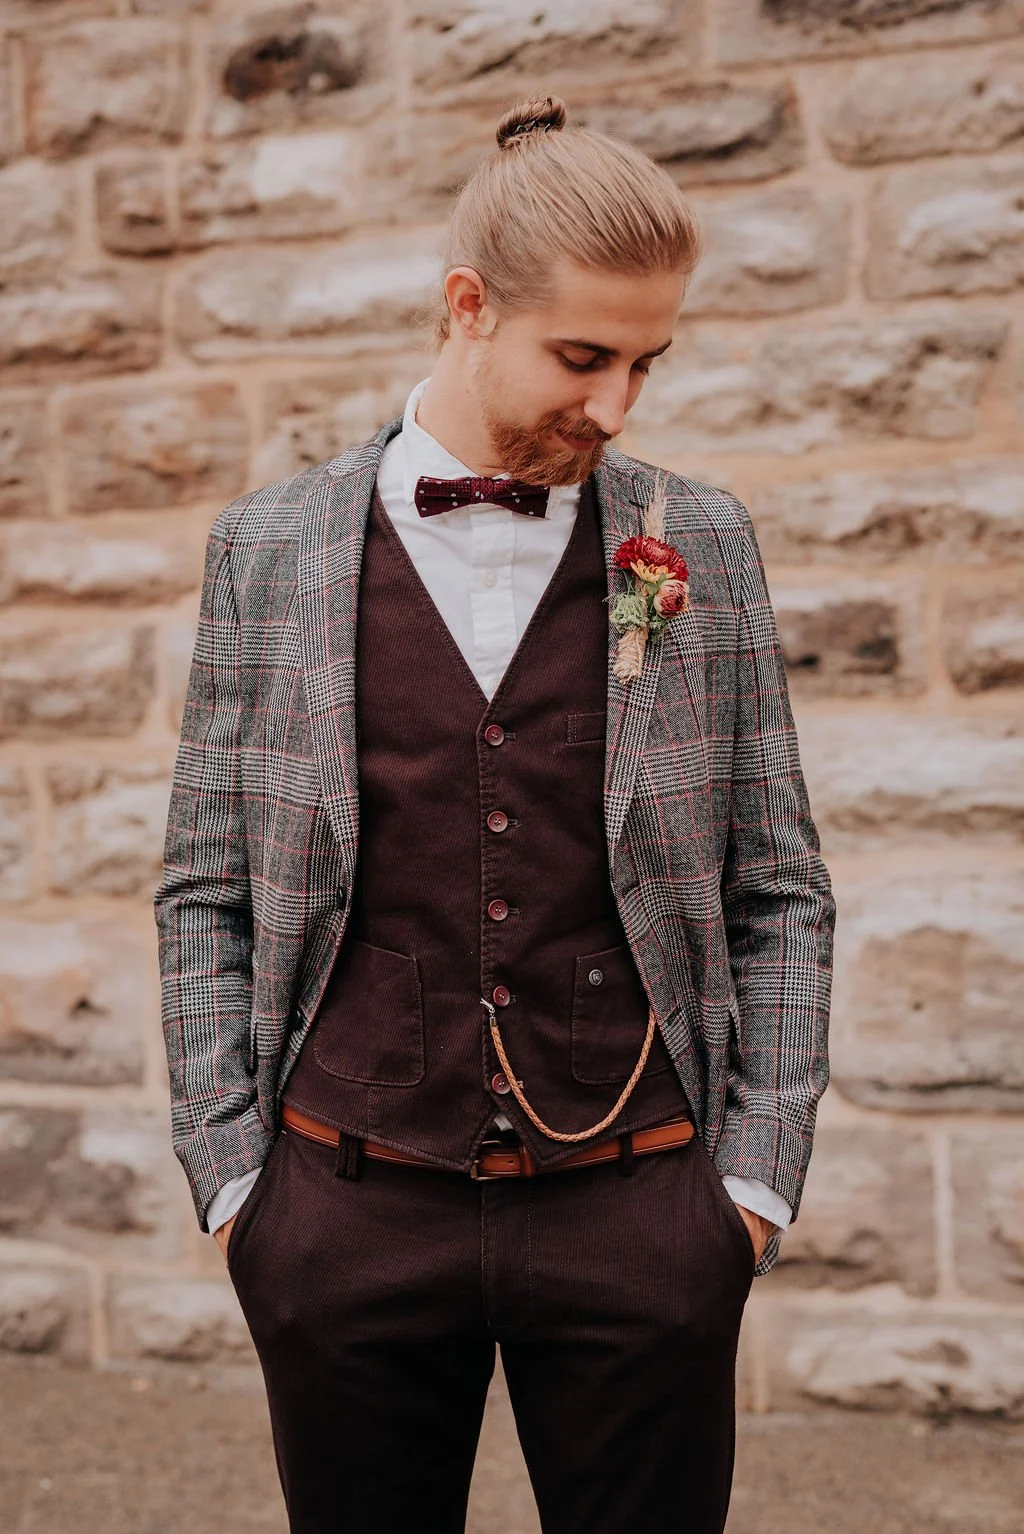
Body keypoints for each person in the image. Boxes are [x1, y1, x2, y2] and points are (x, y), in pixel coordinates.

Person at [154, 94, 835, 1534]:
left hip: (644, 1211)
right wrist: (236, 1188)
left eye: (648, 361)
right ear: (467, 307)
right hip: (343, 1211)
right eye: (581, 357)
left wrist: (751, 1187)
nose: (616, 407)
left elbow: (778, 885)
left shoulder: (697, 538)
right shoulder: (266, 547)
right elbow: (206, 886)